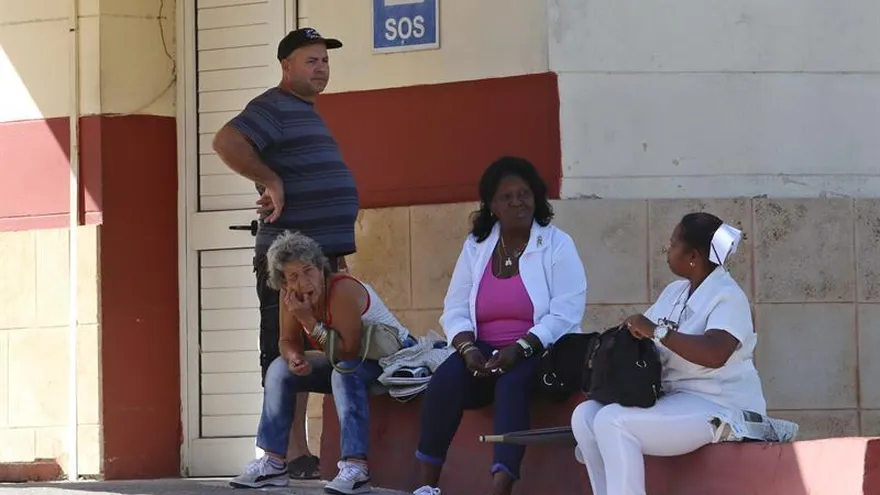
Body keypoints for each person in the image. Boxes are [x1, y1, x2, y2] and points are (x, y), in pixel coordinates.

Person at [212, 27, 358, 479]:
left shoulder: (304, 111)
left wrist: (337, 254)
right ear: (286, 67)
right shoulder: (272, 106)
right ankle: (290, 451)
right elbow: (226, 141)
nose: (320, 68)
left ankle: (299, 450)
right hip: (289, 265)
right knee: (286, 348)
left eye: (324, 61)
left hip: (322, 259)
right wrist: (270, 180)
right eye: (310, 60)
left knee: (321, 349)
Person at [411, 157, 588, 495]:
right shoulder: (477, 246)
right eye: (507, 196)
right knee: (444, 382)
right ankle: (427, 486)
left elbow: (566, 313)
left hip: (541, 351)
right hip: (484, 351)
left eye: (524, 194)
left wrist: (520, 348)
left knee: (511, 385)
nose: (518, 202)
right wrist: (467, 350)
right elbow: (455, 306)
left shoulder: (556, 244)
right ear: (492, 205)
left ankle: (500, 487)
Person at [571, 212, 766, 495]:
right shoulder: (675, 291)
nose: (668, 249)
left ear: (694, 256)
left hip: (717, 405)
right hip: (674, 399)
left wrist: (657, 332)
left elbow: (715, 353)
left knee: (612, 421)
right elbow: (642, 333)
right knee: (586, 415)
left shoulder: (728, 296)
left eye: (674, 244)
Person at [229, 231, 415, 494]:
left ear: (320, 268)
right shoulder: (290, 297)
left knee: (344, 372)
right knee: (279, 369)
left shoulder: (342, 290)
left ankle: (356, 468)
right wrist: (294, 358)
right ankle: (273, 462)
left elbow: (349, 352)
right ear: (283, 282)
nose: (303, 282)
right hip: (346, 359)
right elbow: (287, 340)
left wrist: (308, 321)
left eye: (308, 271)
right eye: (292, 276)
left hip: (389, 361)